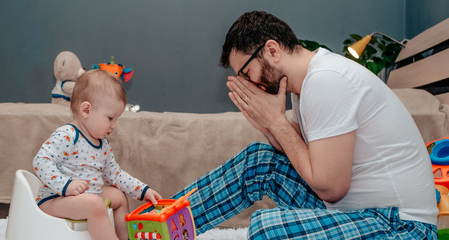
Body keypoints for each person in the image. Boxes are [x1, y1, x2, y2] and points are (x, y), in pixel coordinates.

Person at [173, 11, 438, 239]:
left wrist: (277, 122)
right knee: (258, 161)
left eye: (246, 73)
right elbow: (299, 153)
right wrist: (268, 126)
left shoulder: (327, 81)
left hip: (400, 226)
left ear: (272, 50)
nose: (248, 83)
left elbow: (331, 188)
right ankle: (155, 224)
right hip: (359, 214)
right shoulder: (307, 86)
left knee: (267, 228)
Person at [33, 69, 162, 240]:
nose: (114, 125)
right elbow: (40, 161)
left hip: (86, 195)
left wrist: (142, 190)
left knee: (118, 196)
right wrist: (66, 185)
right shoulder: (67, 135)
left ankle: (124, 237)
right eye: (110, 118)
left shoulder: (103, 144)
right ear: (86, 110)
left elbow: (115, 175)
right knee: (94, 204)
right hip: (55, 199)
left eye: (116, 120)